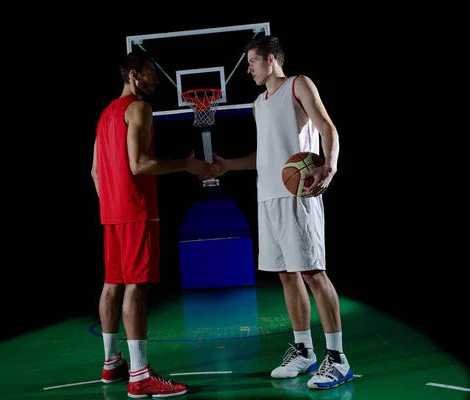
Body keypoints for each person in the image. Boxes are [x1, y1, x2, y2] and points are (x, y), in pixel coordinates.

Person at [211, 35, 353, 390]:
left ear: (270, 60)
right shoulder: (259, 103)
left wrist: (330, 166)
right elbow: (265, 156)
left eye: (252, 62)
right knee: (286, 275)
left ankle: (337, 359)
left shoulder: (298, 85)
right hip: (267, 198)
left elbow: (326, 127)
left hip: (298, 195)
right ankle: (304, 350)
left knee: (312, 272)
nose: (248, 69)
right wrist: (228, 165)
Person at [91, 51, 216, 398]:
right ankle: (140, 376)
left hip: (112, 214)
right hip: (136, 211)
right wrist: (187, 166)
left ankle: (111, 363)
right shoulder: (140, 109)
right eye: (150, 74)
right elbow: (140, 164)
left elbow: (96, 173)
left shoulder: (104, 115)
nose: (156, 80)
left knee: (112, 284)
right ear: (134, 75)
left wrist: (112, 206)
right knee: (136, 287)